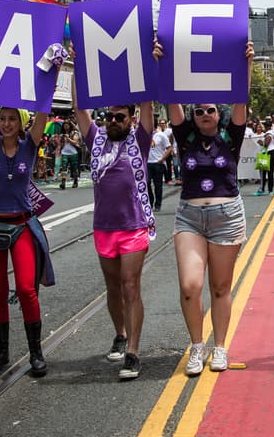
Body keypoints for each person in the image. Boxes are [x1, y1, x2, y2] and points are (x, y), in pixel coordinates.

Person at [157, 39, 254, 376]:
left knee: (220, 287)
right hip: (190, 217)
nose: (204, 115)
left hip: (227, 216)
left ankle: (220, 347)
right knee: (190, 286)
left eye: (210, 110)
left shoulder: (232, 136)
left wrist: (247, 66)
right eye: (199, 111)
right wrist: (162, 64)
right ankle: (197, 346)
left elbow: (242, 97)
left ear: (219, 114)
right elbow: (171, 99)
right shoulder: (184, 137)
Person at [0, 72, 52, 377]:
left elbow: (43, 110)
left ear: (20, 123)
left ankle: (36, 352)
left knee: (27, 290)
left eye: (11, 119)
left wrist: (50, 75)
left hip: (22, 227)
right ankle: (1, 351)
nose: (5, 123)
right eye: (1, 118)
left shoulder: (30, 145)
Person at [75, 91, 155, 381]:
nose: (112, 121)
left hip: (134, 227)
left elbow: (149, 103)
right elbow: (79, 108)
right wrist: (78, 69)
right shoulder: (96, 140)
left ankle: (133, 352)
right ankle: (120, 334)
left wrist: (150, 69)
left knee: (130, 285)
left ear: (131, 120)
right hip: (103, 228)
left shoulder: (140, 140)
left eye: (119, 117)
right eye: (109, 116)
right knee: (113, 288)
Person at [147, 117, 171, 213]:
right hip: (148, 163)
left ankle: (158, 204)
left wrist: (162, 159)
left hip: (158, 163)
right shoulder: (145, 135)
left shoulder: (161, 135)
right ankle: (150, 201)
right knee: (147, 183)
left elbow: (169, 148)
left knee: (158, 185)